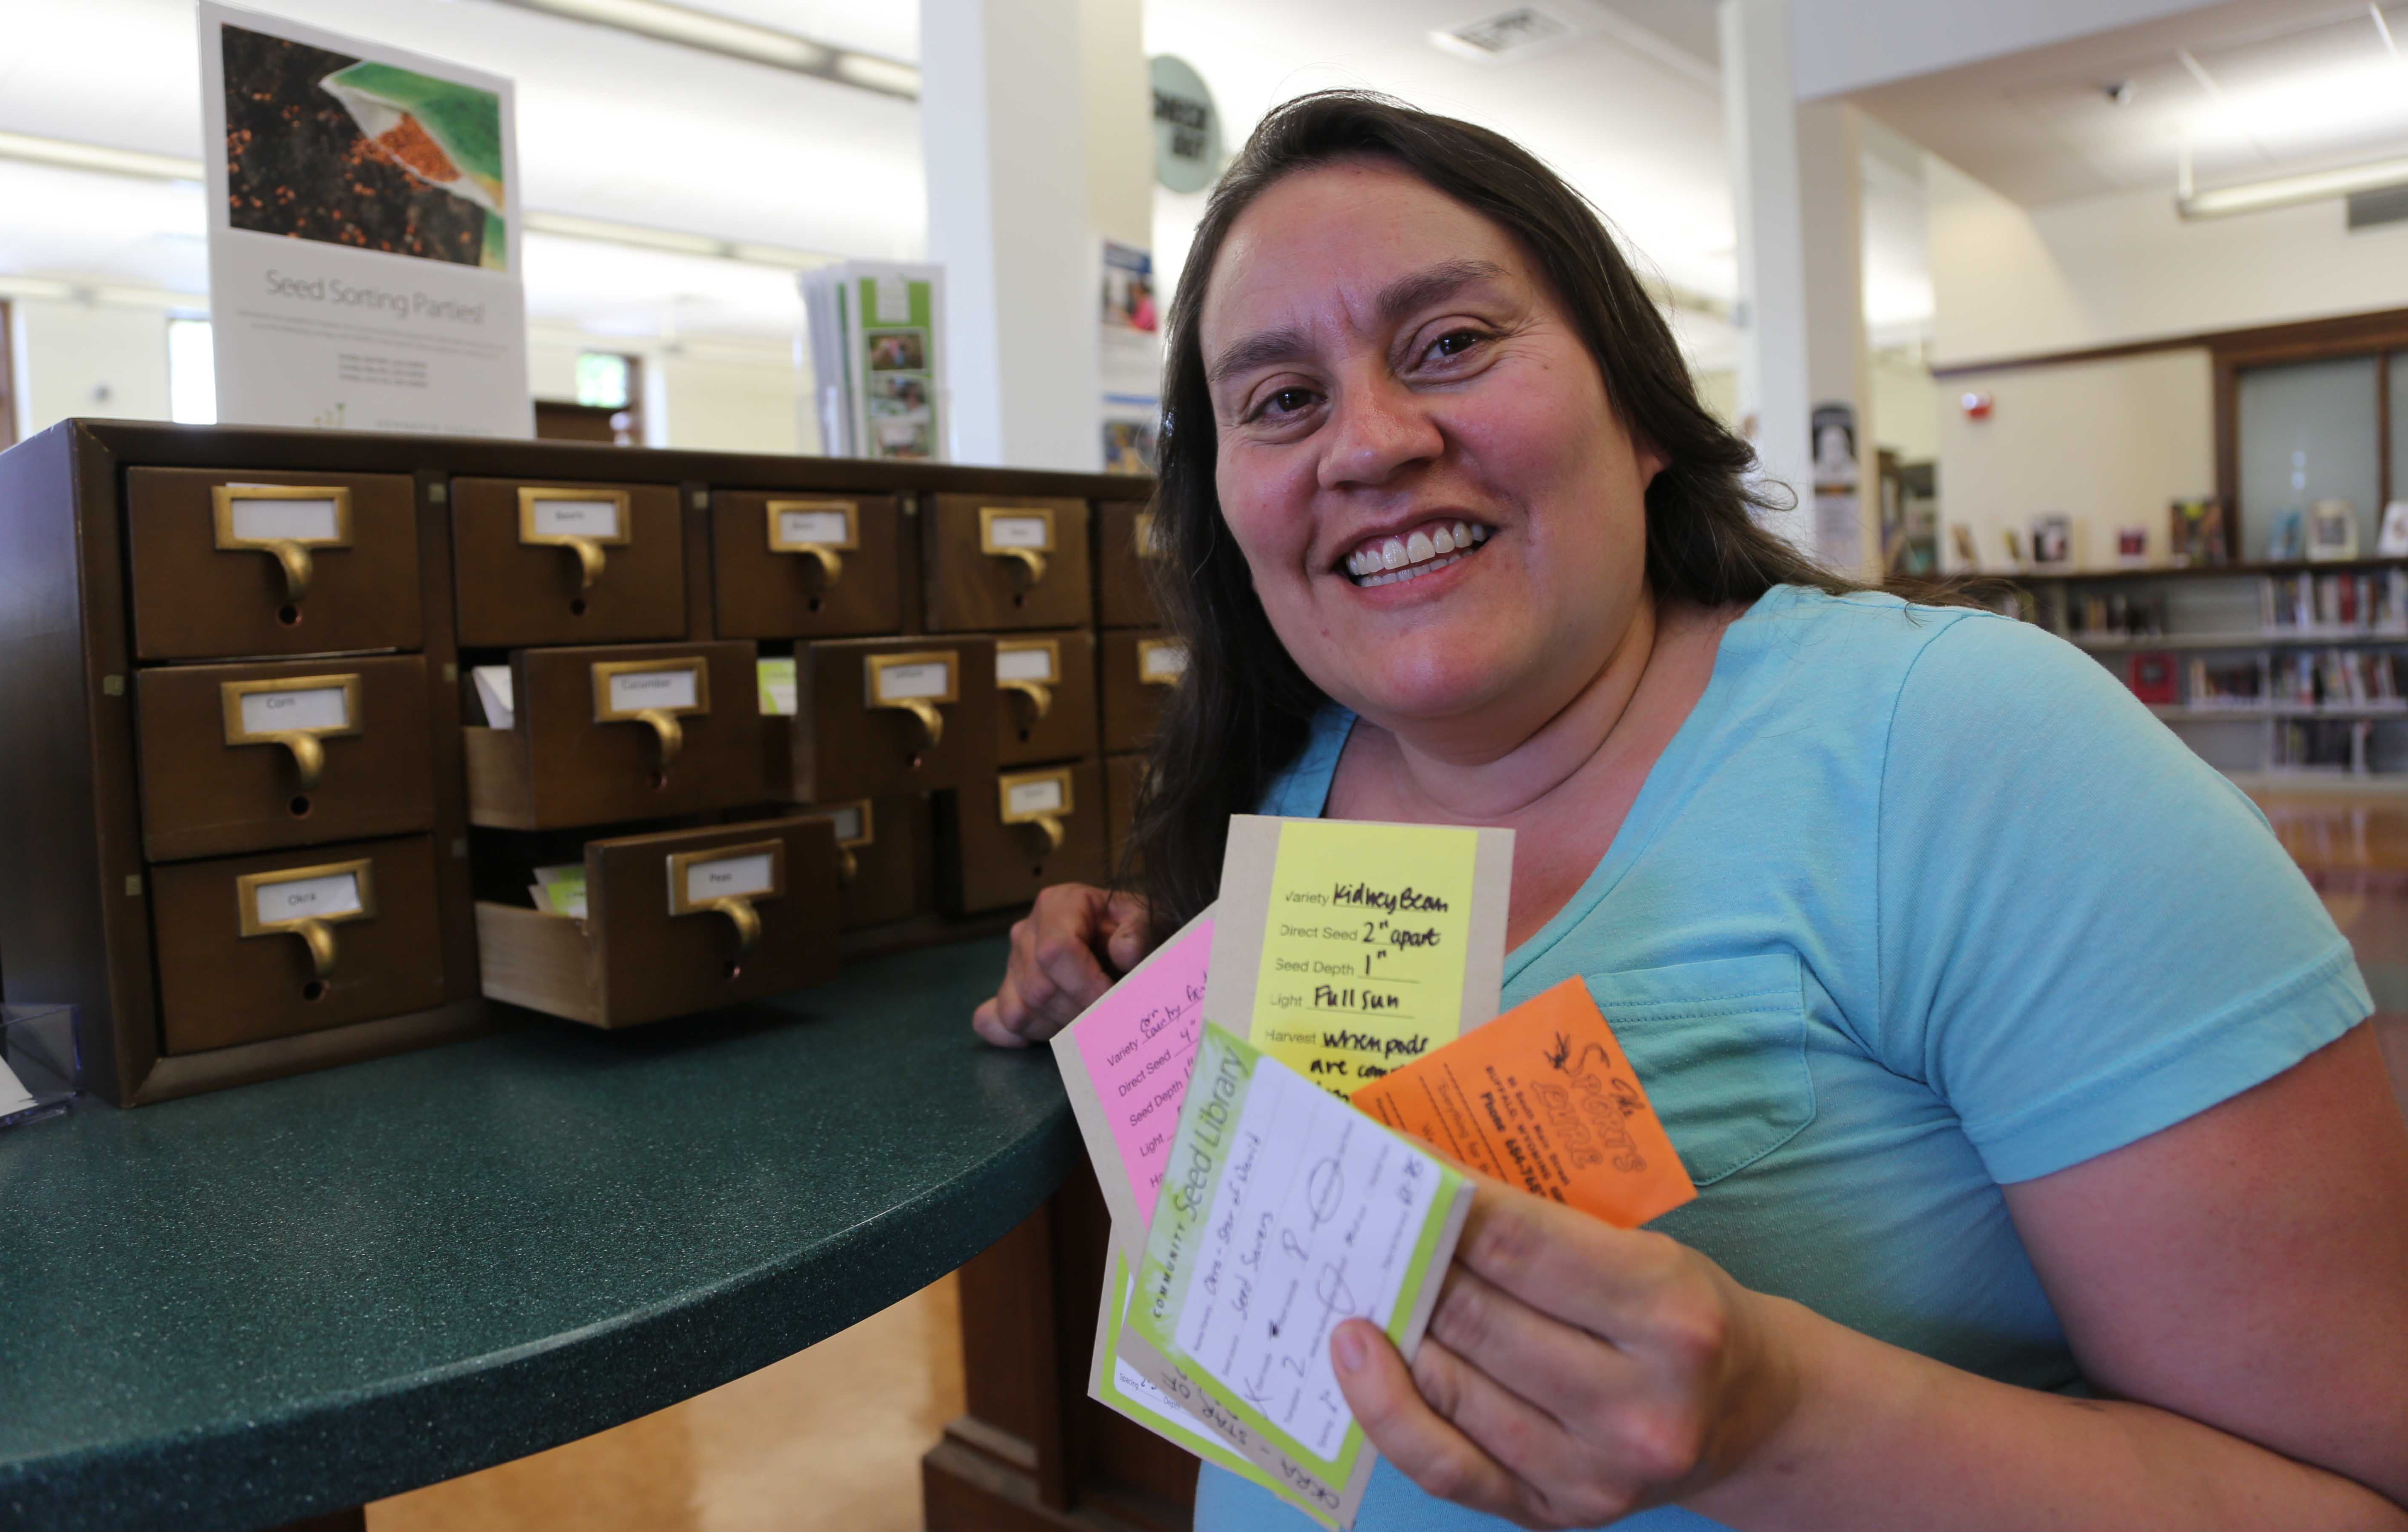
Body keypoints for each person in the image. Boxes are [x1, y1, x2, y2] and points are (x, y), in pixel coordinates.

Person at [974, 92, 2408, 1530]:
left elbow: (2356, 1494)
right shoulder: (1286, 783)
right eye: (1281, 401)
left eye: (1454, 344)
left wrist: (1780, 1420)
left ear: (1644, 413)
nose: (1369, 442)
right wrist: (1134, 956)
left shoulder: (1967, 749)